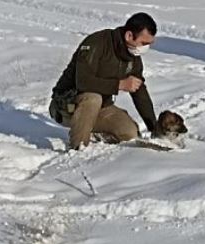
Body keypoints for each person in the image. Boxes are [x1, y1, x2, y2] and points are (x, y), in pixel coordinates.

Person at [50, 12, 158, 150]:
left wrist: (153, 127)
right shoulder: (97, 43)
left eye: (149, 44)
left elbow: (139, 90)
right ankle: (78, 148)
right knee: (92, 98)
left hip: (101, 107)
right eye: (144, 43)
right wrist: (120, 84)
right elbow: (83, 82)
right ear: (129, 36)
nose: (146, 47)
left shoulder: (133, 56)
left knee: (130, 133)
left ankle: (93, 133)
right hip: (68, 105)